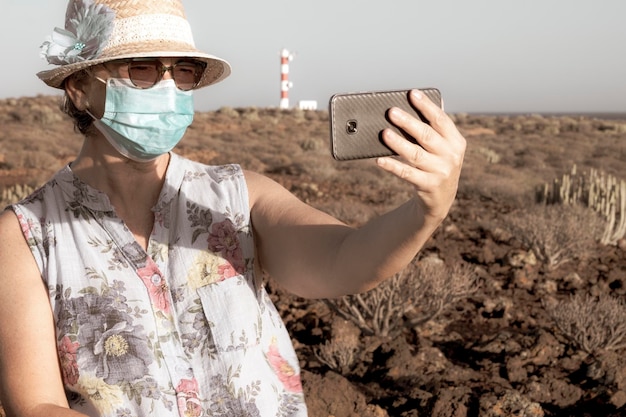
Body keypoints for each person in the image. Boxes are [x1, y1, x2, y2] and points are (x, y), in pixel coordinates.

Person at [0, 0, 465, 416]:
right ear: (79, 88)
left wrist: (427, 209)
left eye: (182, 70)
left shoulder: (240, 195)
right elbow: (35, 403)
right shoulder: (24, 236)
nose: (167, 86)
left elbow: (344, 259)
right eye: (142, 68)